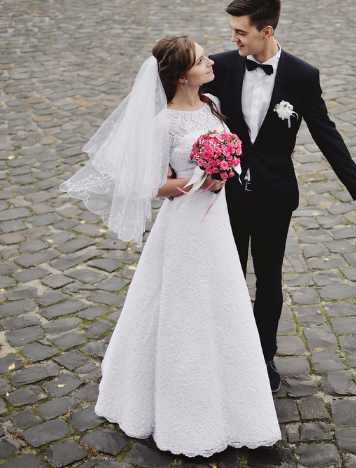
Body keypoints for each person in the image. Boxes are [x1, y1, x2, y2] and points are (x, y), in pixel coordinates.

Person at [60, 36, 281, 457]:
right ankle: (180, 406)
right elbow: (144, 178)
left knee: (221, 299)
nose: (211, 62)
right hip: (184, 226)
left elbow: (229, 153)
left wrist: (223, 171)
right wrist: (176, 184)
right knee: (183, 304)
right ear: (182, 76)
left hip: (215, 221)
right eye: (201, 61)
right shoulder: (164, 122)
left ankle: (232, 394)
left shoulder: (212, 104)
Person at [203, 0, 356, 392]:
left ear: (266, 32)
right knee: (229, 275)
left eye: (241, 31)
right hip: (226, 193)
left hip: (275, 195)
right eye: (233, 31)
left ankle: (263, 355)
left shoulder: (302, 76)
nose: (233, 37)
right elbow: (179, 99)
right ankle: (226, 350)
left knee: (269, 280)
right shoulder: (220, 66)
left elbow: (327, 135)